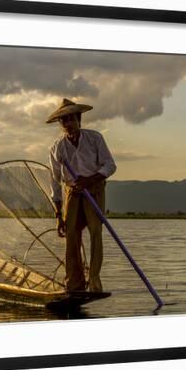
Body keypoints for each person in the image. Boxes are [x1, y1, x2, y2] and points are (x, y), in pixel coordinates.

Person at [47, 98, 117, 292]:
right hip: (72, 193)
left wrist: (90, 179)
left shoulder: (95, 138)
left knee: (96, 232)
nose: (68, 124)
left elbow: (110, 166)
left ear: (79, 120)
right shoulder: (57, 148)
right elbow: (54, 180)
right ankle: (75, 284)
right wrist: (58, 213)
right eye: (64, 121)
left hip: (94, 189)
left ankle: (94, 281)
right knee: (71, 236)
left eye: (71, 119)